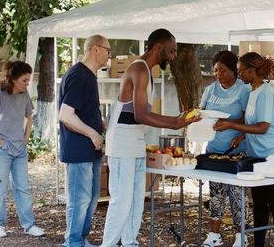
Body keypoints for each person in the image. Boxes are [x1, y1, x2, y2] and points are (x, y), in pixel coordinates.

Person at [100, 28, 199, 247]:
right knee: (121, 202)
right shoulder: (139, 70)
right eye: (171, 51)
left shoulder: (147, 71)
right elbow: (140, 114)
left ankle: (129, 242)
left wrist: (177, 120)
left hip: (135, 143)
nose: (173, 56)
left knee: (136, 202)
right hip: (122, 145)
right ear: (157, 47)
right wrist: (175, 122)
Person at [214, 52, 274, 247]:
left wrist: (232, 127)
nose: (239, 75)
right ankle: (258, 243)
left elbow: (263, 127)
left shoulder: (265, 93)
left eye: (241, 71)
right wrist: (243, 134)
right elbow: (253, 123)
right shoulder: (252, 91)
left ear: (251, 71)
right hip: (258, 155)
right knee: (259, 204)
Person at [0, 61, 45, 238]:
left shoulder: (24, 94)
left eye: (28, 80)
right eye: (24, 80)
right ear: (13, 79)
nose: (27, 83)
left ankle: (29, 225)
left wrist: (25, 139)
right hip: (1, 150)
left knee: (23, 188)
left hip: (19, 149)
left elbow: (29, 117)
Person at [58, 35, 110, 247]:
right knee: (79, 199)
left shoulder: (89, 75)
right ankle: (73, 242)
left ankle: (80, 238)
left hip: (91, 150)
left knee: (90, 198)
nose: (109, 55)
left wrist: (100, 123)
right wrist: (93, 133)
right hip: (80, 150)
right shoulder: (79, 75)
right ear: (95, 49)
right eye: (108, 50)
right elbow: (66, 115)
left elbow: (82, 111)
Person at [199, 51, 251, 247]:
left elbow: (249, 120)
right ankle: (214, 235)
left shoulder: (243, 90)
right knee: (215, 195)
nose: (219, 74)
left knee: (237, 196)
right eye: (216, 70)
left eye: (223, 70)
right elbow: (201, 113)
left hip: (237, 152)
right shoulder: (210, 90)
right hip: (214, 150)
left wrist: (232, 125)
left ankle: (241, 236)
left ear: (234, 71)